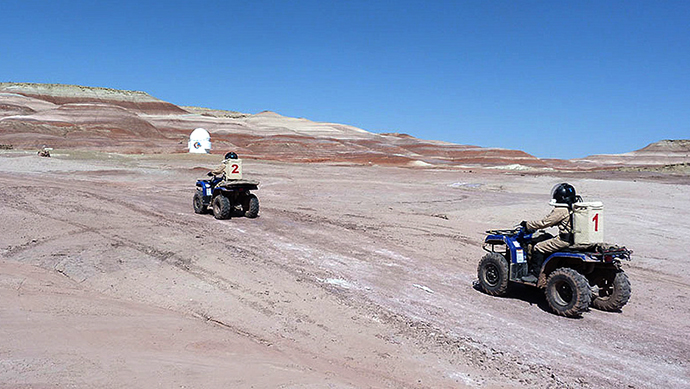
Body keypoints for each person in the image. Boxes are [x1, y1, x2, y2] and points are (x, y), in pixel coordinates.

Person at [519, 183, 580, 282]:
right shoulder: (573, 208)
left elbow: (544, 223)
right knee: (547, 236)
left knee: (538, 247)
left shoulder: (561, 210)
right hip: (573, 238)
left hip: (564, 240)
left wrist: (527, 224)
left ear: (561, 197)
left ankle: (535, 275)